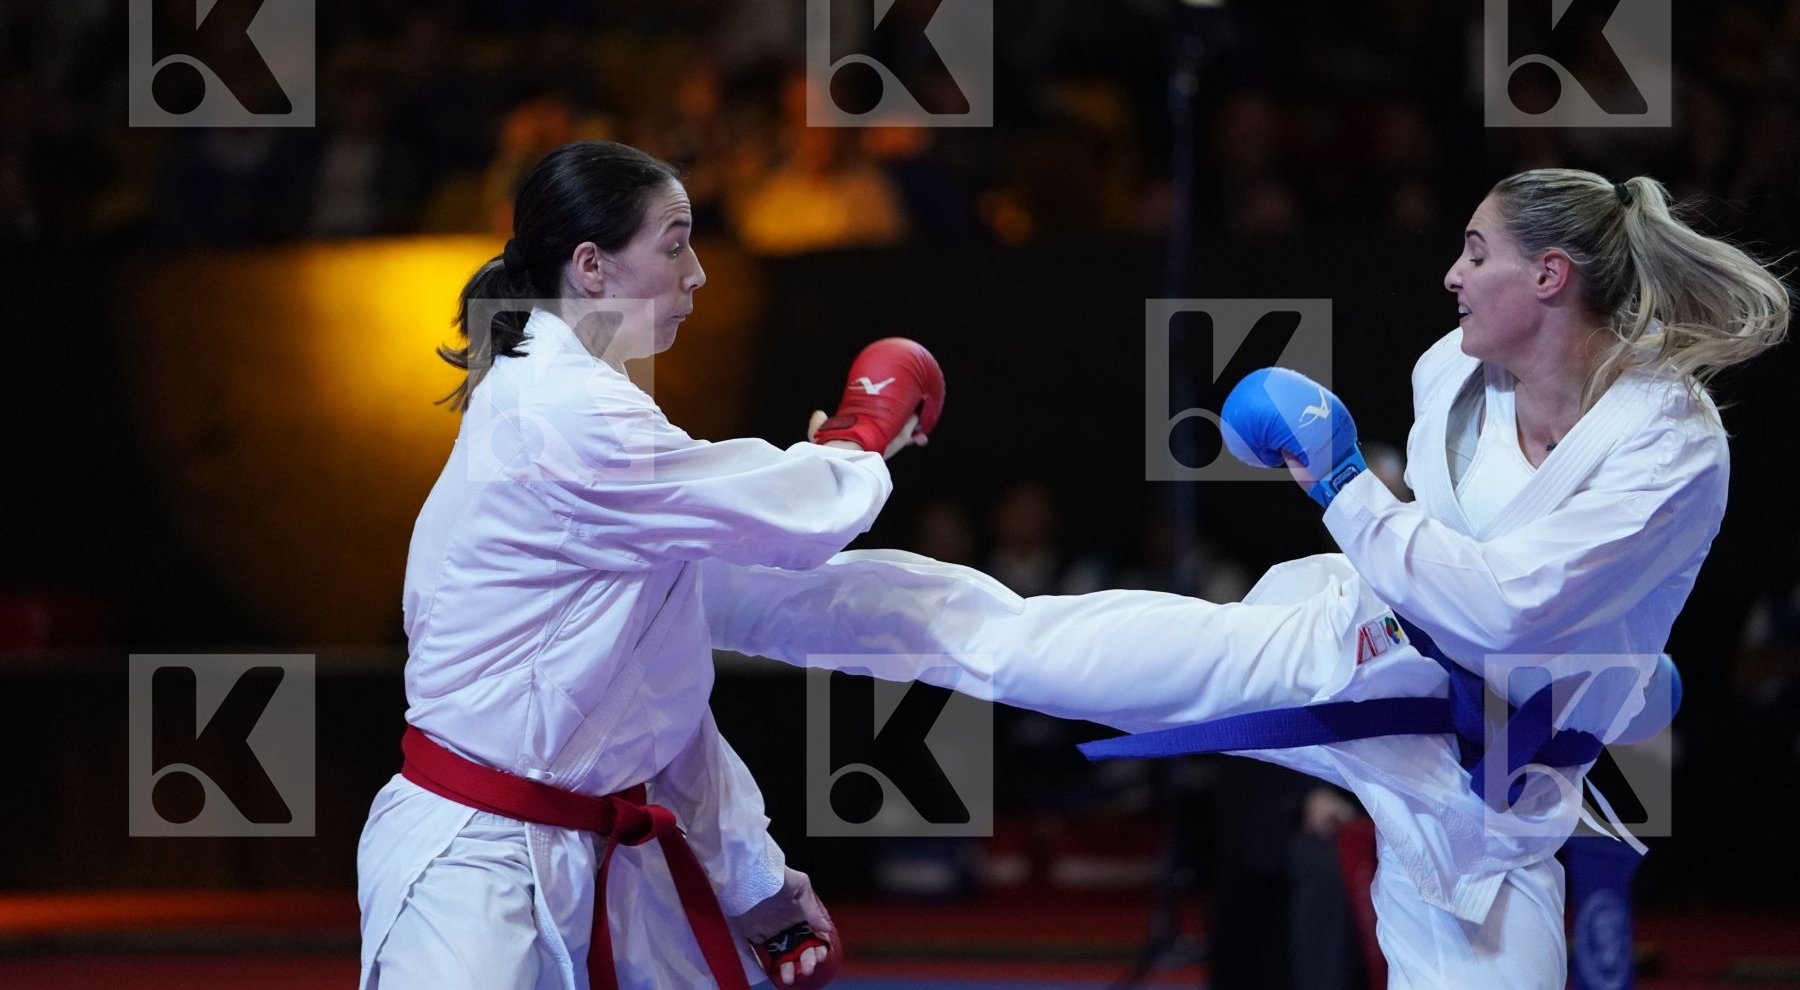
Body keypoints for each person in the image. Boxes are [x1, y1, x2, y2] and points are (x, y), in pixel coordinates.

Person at [705, 169, 1789, 988]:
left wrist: (1343, 485)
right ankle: (718, 593)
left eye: (1476, 252)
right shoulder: (1449, 371)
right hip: (1346, 650)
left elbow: (1508, 608)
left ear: (1549, 276)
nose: (1451, 276)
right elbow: (1440, 556)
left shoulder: (1669, 442)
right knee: (1017, 641)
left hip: (1488, 793)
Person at [356, 140, 942, 990]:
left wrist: (756, 882)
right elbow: (799, 515)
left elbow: (664, 700)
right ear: (591, 266)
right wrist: (862, 434)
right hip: (470, 862)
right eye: (674, 245)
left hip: (581, 847)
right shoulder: (562, 409)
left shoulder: (572, 401)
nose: (696, 273)